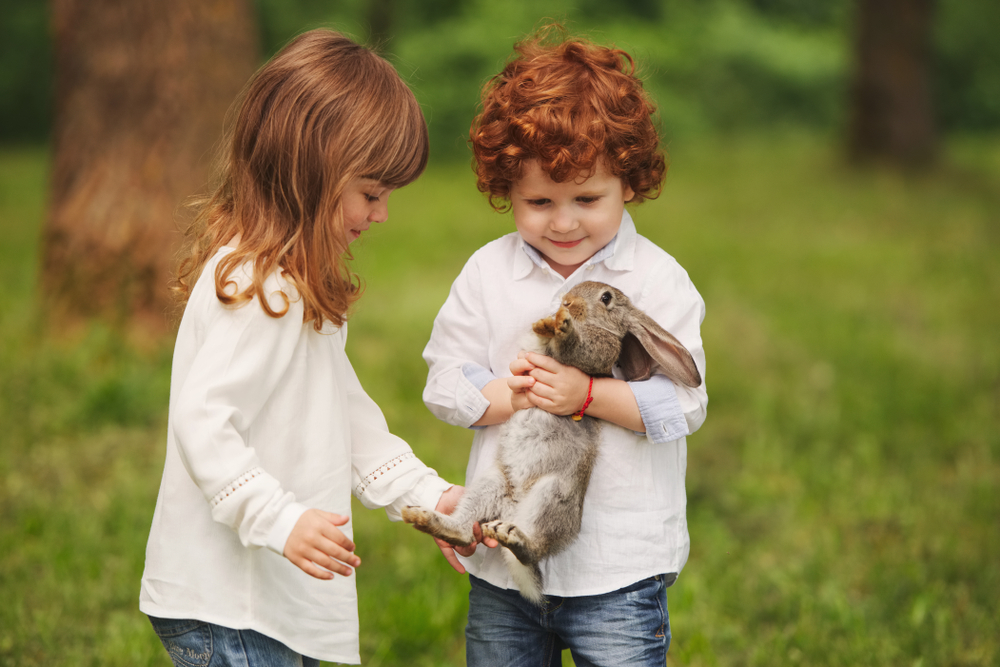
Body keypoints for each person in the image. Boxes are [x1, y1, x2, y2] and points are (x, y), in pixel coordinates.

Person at [139, 29, 462, 666]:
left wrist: (427, 499)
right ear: (308, 175)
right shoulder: (260, 287)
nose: (382, 214)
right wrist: (279, 520)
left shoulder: (292, 286)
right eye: (371, 193)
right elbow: (204, 423)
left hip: (267, 602)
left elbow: (347, 419)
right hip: (230, 605)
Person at [421, 27, 708, 666]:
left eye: (587, 198)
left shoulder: (658, 281)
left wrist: (590, 395)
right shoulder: (487, 274)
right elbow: (443, 380)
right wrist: (506, 393)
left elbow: (684, 405)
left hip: (620, 567)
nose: (564, 222)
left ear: (628, 183)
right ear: (507, 192)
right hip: (503, 566)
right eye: (539, 201)